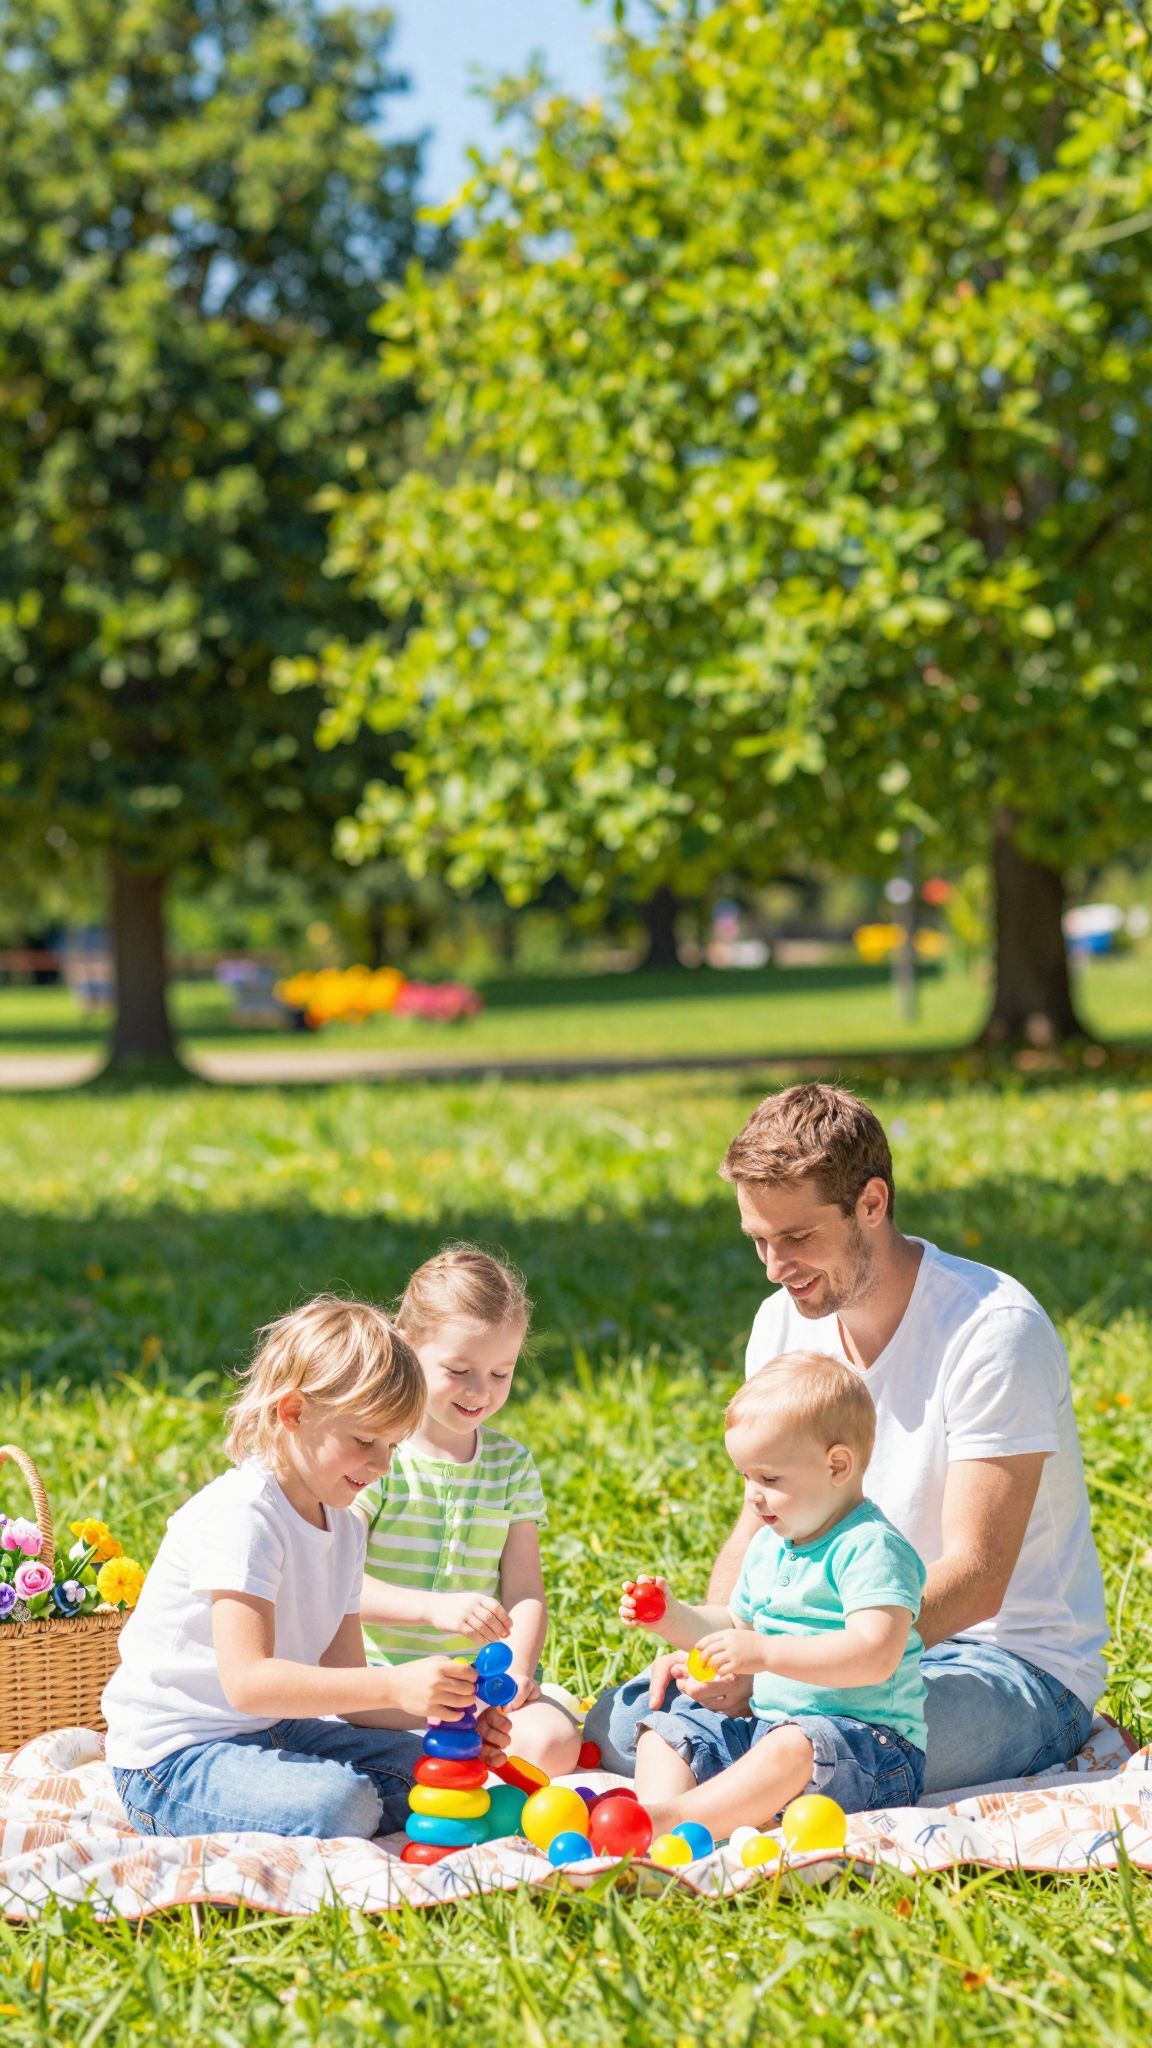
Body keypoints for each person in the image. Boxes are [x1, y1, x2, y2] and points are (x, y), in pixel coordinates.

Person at [587, 1083, 1107, 1797]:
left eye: (797, 1238)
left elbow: (980, 1577)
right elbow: (758, 1524)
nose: (775, 1267)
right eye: (760, 1241)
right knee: (625, 1720)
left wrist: (780, 1665)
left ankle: (724, 1790)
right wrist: (715, 1659)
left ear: (872, 1203)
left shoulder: (993, 1330)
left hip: (1004, 1665)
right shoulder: (781, 1322)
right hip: (810, 1654)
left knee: (831, 1746)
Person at [104, 1296, 509, 1838]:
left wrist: (451, 1714)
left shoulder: (342, 1526)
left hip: (274, 1731)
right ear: (293, 1413)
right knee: (342, 1806)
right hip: (174, 1759)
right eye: (365, 1440)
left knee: (447, 1775)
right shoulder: (245, 1514)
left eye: (393, 1445)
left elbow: (351, 1691)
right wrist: (393, 1686)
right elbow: (249, 1683)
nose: (382, 1465)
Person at [624, 1353, 926, 1837]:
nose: (752, 1495)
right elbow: (736, 1630)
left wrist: (764, 1654)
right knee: (669, 1725)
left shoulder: (871, 1546)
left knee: (793, 1747)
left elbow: (876, 1655)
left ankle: (677, 1820)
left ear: (838, 1466)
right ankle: (658, 1819)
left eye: (769, 1478)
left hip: (866, 1748)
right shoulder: (771, 1545)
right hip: (768, 1728)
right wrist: (670, 1617)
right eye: (745, 1477)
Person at [356, 1245, 580, 1777]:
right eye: (460, 1370)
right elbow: (340, 1581)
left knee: (552, 1742)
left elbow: (524, 1589)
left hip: (478, 1690)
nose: (481, 1392)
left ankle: (464, 1761)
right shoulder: (375, 1453)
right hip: (383, 1685)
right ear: (407, 1348)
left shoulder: (509, 1465)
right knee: (381, 1753)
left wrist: (519, 1670)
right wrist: (433, 1609)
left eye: (501, 1374)